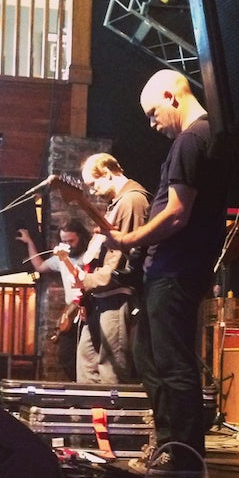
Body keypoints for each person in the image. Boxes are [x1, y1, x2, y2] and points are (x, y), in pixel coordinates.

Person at [101, 69, 227, 476]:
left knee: (172, 364)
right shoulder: (200, 138)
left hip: (176, 269)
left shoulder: (192, 138)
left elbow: (176, 213)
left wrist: (131, 240)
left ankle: (186, 457)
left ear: (172, 96)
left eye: (153, 113)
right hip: (168, 270)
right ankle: (171, 446)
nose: (153, 124)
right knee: (151, 359)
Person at [75, 153, 149, 384]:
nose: (92, 191)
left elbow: (122, 262)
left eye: (94, 184)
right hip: (103, 297)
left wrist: (85, 281)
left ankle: (114, 420)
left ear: (107, 173)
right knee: (87, 367)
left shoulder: (132, 201)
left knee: (111, 374)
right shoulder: (117, 204)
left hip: (117, 296)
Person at [17, 218, 91, 381]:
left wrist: (64, 259)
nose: (68, 245)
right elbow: (40, 266)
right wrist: (29, 241)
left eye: (71, 241)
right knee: (66, 356)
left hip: (88, 307)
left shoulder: (89, 256)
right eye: (64, 241)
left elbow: (80, 280)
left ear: (81, 237)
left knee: (87, 357)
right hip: (71, 310)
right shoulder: (62, 257)